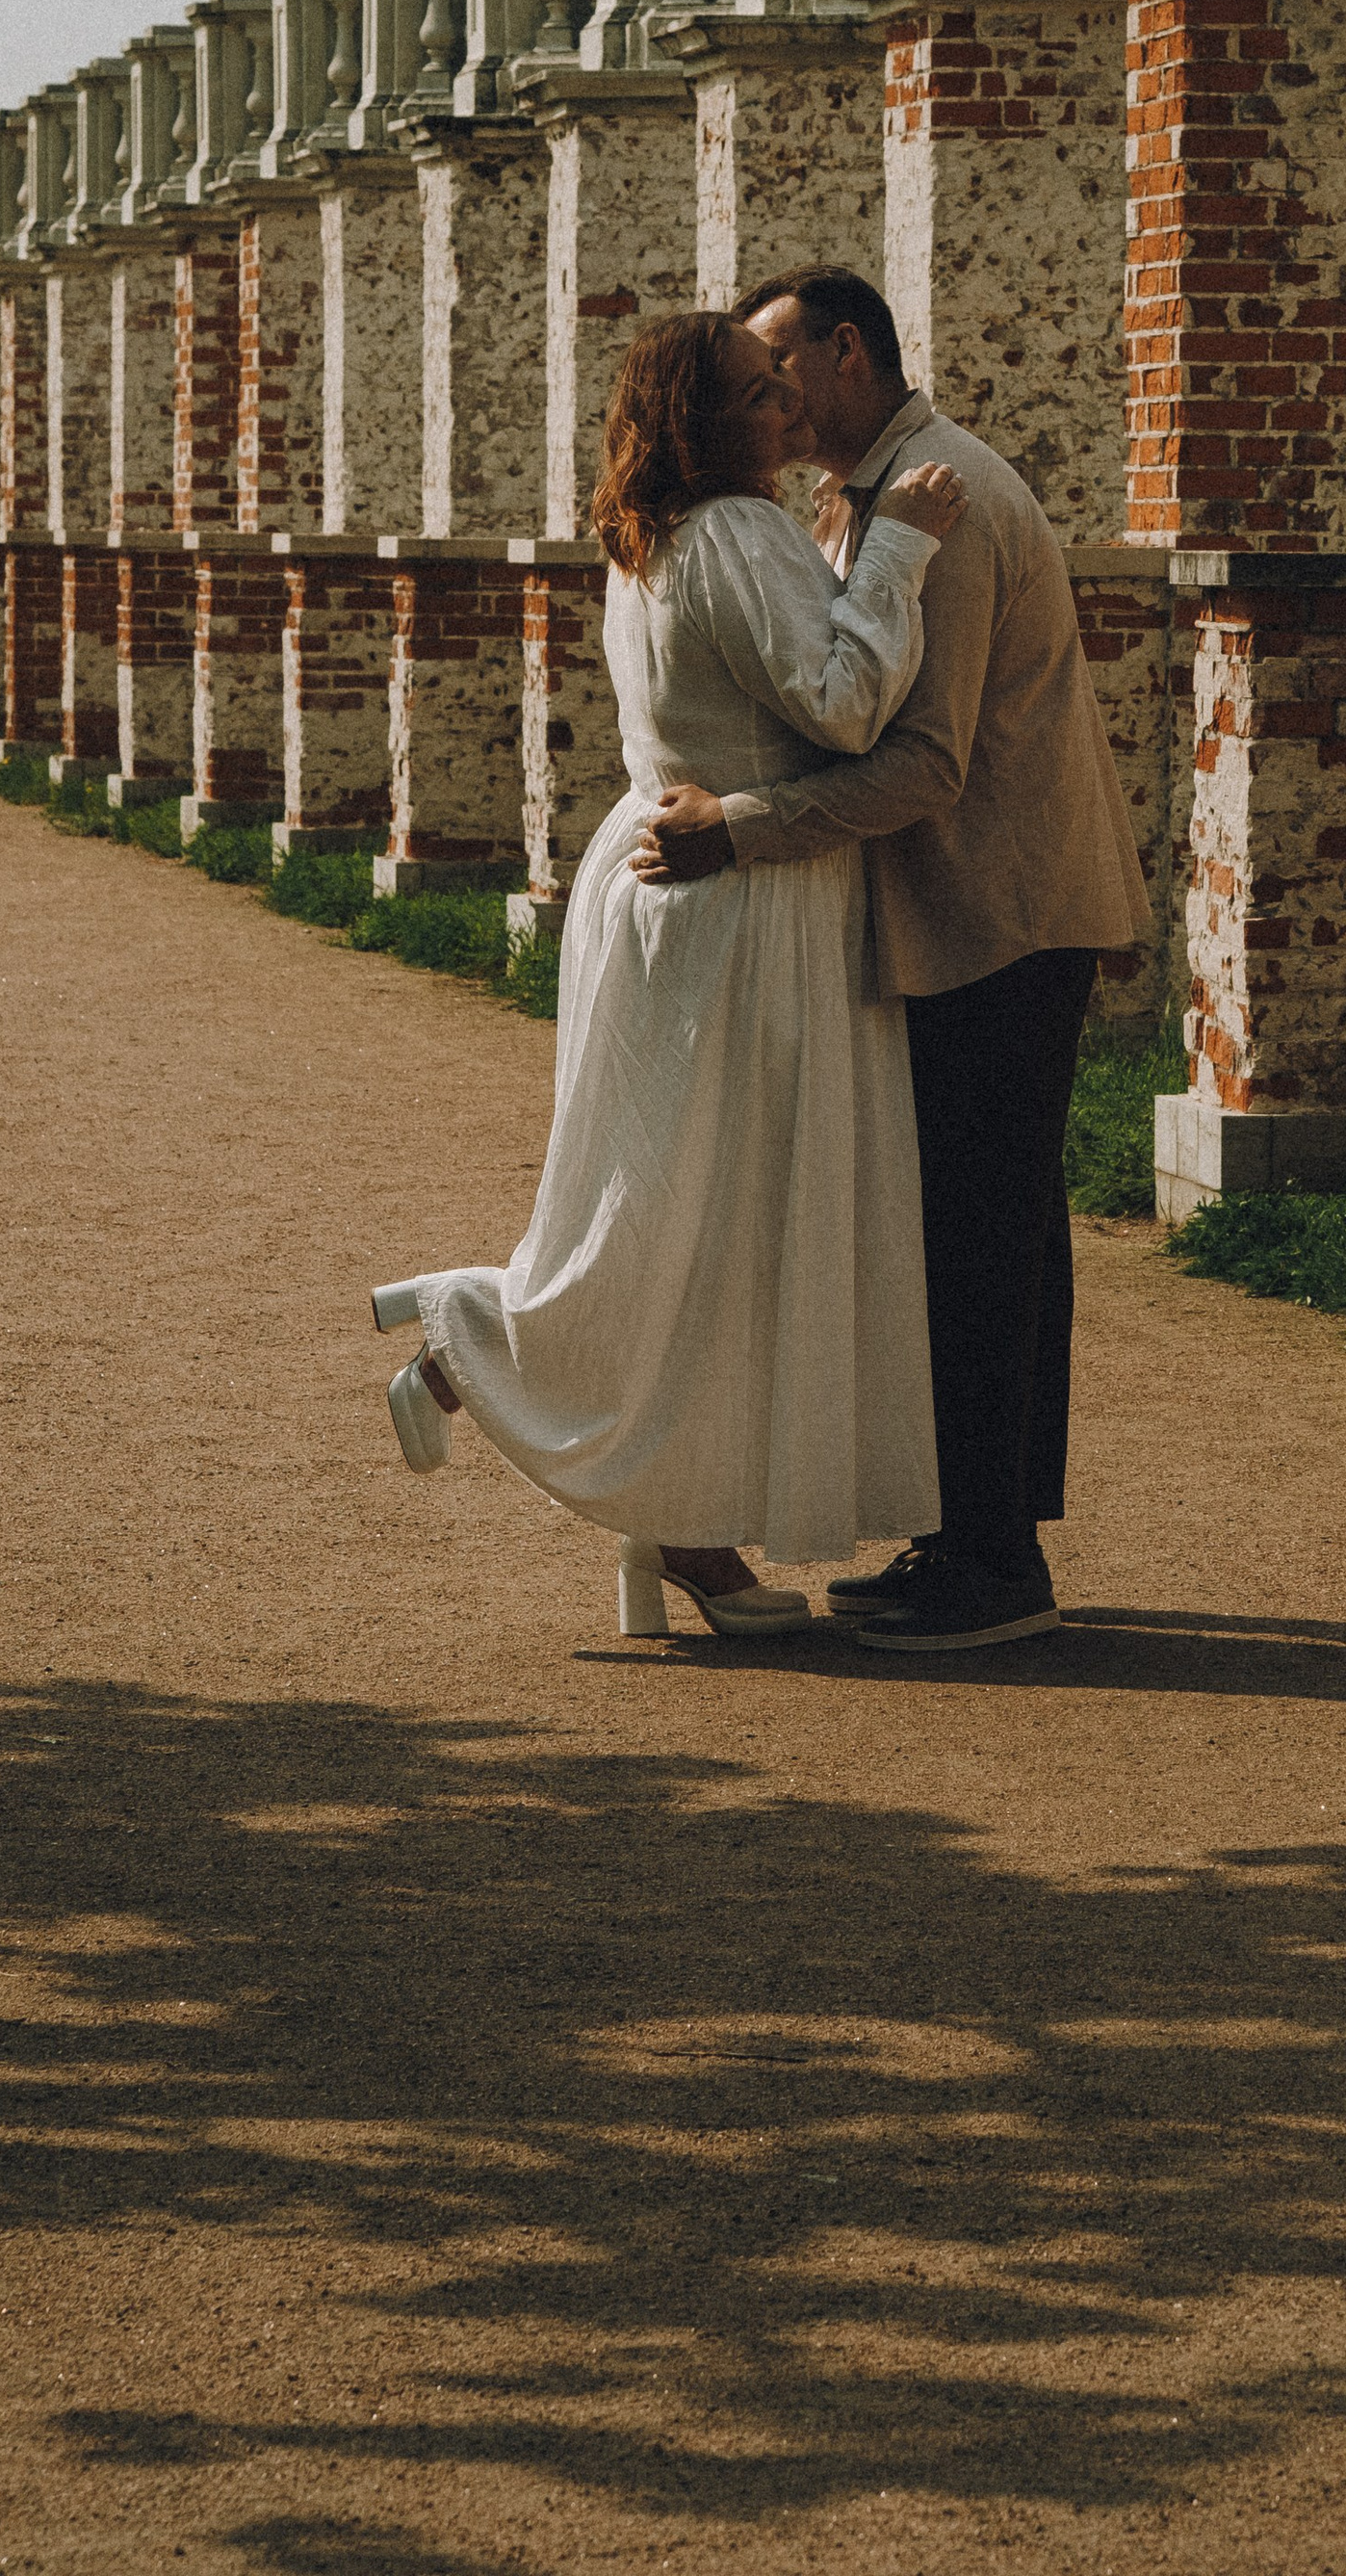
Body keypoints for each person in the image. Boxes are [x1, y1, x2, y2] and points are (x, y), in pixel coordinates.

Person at [376, 308, 966, 1641]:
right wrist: (899, 556)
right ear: (704, 422)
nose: (786, 415)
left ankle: (679, 1524)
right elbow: (845, 706)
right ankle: (475, 1336)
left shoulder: (647, 542)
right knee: (722, 1218)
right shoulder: (740, 531)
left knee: (685, 1201)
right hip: (743, 906)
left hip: (659, 884)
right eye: (759, 397)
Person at [631, 267, 1149, 1652]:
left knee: (981, 1240)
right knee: (986, 1234)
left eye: (779, 371)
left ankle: (991, 1562)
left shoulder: (948, 497)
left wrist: (739, 830)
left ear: (846, 355)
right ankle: (971, 1535)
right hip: (966, 912)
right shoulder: (865, 495)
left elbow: (922, 766)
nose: (770, 398)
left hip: (1000, 908)